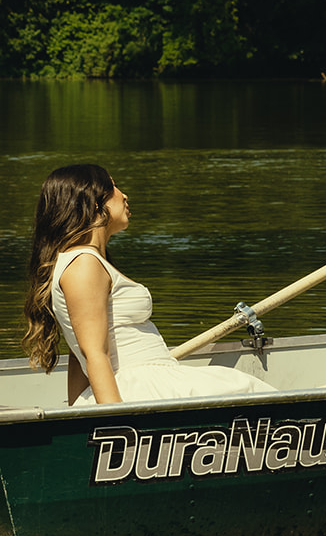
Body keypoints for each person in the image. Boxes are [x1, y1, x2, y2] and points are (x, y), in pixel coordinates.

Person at [22, 163, 274, 404]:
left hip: (150, 379)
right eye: (114, 186)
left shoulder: (89, 261)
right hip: (139, 386)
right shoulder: (84, 264)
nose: (124, 195)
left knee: (243, 389)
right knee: (246, 389)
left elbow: (79, 356)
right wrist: (114, 422)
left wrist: (76, 407)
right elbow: (93, 355)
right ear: (94, 201)